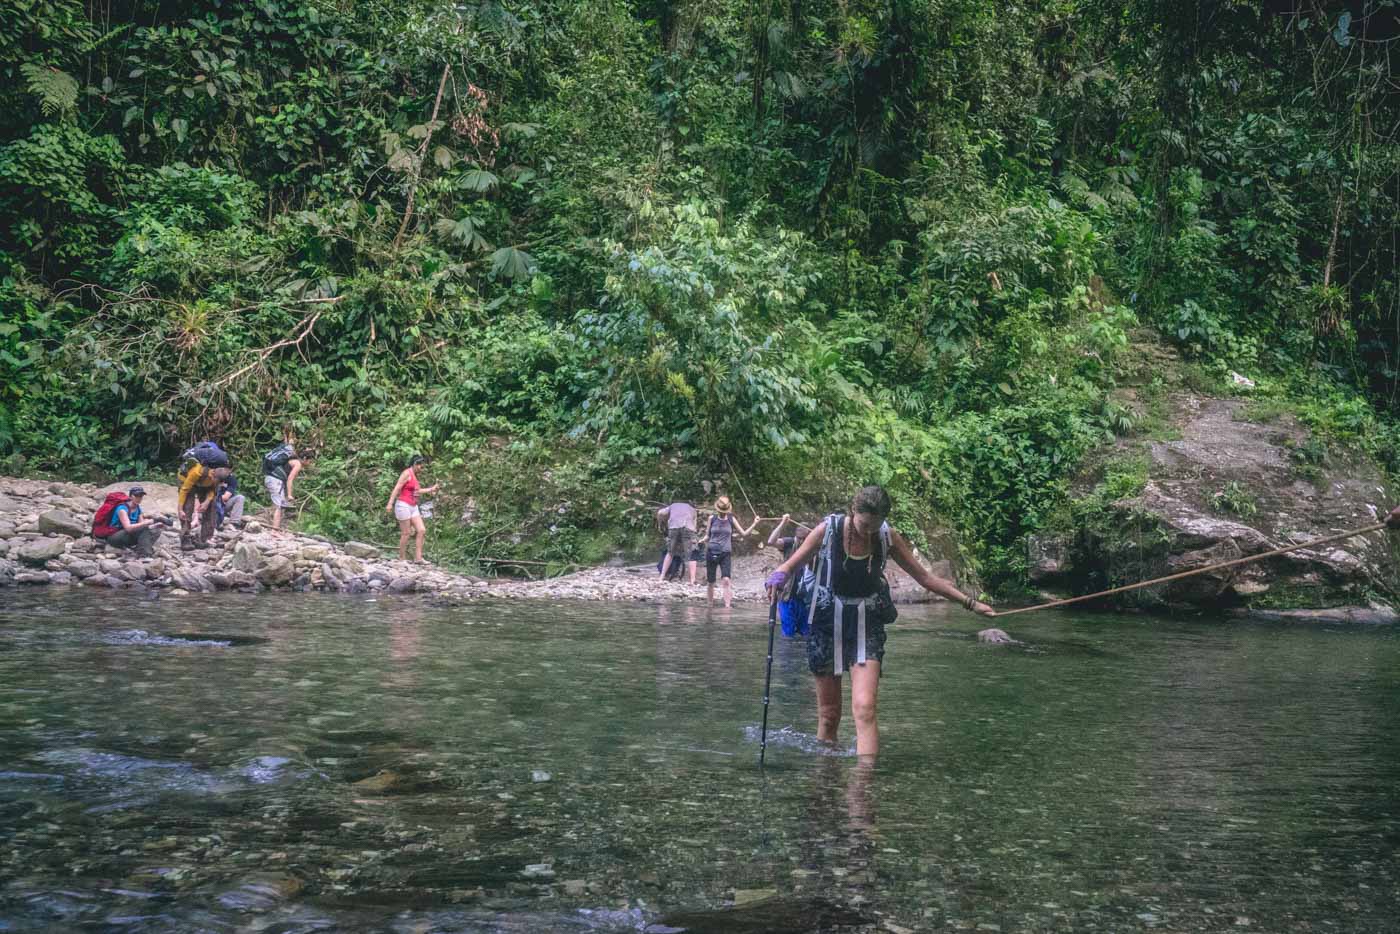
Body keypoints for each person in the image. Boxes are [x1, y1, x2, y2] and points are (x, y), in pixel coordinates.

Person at [765, 485, 1003, 759]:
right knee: (829, 715)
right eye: (864, 525)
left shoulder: (887, 537)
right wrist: (778, 577)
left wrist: (970, 603)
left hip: (868, 624)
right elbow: (791, 563)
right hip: (826, 623)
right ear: (854, 510)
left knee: (865, 708)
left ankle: (864, 788)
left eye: (874, 527)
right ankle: (826, 783)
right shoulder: (827, 530)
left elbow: (925, 578)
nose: (868, 532)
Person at [700, 496, 757, 608]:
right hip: (711, 551)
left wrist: (754, 523)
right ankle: (710, 605)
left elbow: (744, 533)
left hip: (725, 553)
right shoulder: (712, 518)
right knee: (711, 581)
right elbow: (707, 535)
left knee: (726, 579)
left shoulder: (731, 519)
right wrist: (701, 540)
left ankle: (727, 606)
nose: (722, 513)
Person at [386, 455, 440, 563]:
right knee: (406, 532)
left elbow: (417, 491)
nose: (422, 468)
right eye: (421, 466)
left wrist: (431, 489)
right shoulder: (406, 473)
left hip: (413, 506)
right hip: (403, 505)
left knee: (421, 530)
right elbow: (397, 488)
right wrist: (390, 503)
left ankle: (418, 558)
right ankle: (402, 558)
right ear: (415, 464)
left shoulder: (415, 476)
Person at [177, 461, 229, 551]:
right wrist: (180, 509)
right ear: (213, 475)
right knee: (188, 507)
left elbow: (212, 490)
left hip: (202, 485)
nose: (217, 484)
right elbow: (184, 490)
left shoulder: (216, 479)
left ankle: (205, 538)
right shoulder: (197, 472)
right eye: (217, 482)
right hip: (186, 481)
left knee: (211, 506)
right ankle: (185, 538)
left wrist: (207, 502)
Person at [103, 486, 163, 557]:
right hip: (114, 536)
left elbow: (142, 525)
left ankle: (141, 549)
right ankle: (144, 553)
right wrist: (149, 522)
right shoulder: (122, 509)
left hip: (127, 536)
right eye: (136, 496)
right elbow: (128, 528)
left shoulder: (138, 508)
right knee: (144, 528)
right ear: (131, 496)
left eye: (141, 496)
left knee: (156, 530)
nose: (139, 498)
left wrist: (155, 525)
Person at [262, 436, 304, 531]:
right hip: (275, 481)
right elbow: (290, 479)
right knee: (278, 506)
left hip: (270, 478)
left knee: (278, 504)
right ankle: (274, 530)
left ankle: (274, 528)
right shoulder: (298, 464)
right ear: (305, 459)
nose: (311, 463)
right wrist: (289, 495)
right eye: (310, 461)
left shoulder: (287, 460)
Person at [656, 498, 699, 585]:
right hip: (688, 528)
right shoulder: (693, 509)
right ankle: (692, 580)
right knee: (692, 553)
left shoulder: (672, 506)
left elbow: (660, 513)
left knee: (670, 552)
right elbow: (694, 526)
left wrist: (660, 523)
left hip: (673, 528)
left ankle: (662, 577)